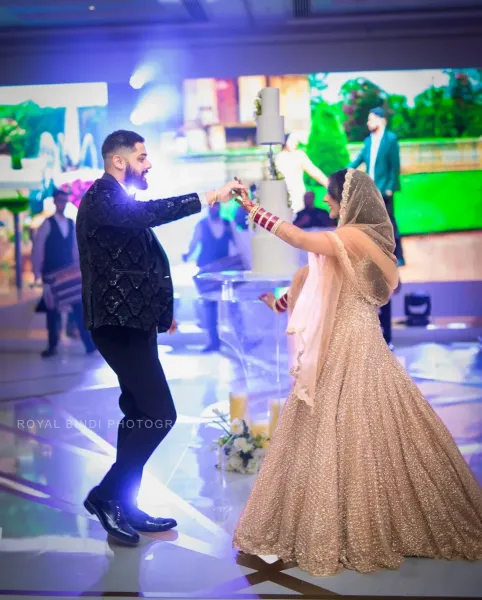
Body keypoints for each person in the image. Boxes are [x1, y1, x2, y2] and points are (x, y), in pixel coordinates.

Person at [232, 168, 482, 576]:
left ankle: (352, 528)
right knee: (372, 427)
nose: (327, 203)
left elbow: (299, 240)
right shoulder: (363, 244)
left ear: (347, 201)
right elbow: (312, 280)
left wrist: (252, 209)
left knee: (340, 428)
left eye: (331, 198)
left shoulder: (351, 237)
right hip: (362, 342)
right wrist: (278, 304)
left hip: (349, 345)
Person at [76, 129, 247, 545]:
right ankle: (105, 496)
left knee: (138, 414)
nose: (148, 163)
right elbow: (146, 216)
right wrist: (210, 196)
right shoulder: (102, 196)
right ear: (119, 160)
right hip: (117, 326)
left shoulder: (115, 200)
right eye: (142, 156)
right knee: (161, 414)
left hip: (132, 323)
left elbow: (139, 264)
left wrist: (160, 312)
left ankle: (125, 504)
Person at [349, 106, 405, 346]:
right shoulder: (368, 140)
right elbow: (359, 159)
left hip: (385, 189)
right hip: (371, 189)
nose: (368, 121)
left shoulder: (391, 139)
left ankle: (395, 254)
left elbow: (394, 165)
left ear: (381, 119)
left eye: (371, 118)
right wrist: (347, 171)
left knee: (390, 224)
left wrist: (391, 186)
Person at [32, 189, 95, 358]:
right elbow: (38, 248)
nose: (62, 203)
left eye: (65, 200)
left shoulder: (70, 222)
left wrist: (79, 266)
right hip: (51, 273)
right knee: (52, 312)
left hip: (69, 273)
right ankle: (52, 346)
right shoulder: (47, 223)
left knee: (78, 308)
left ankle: (89, 345)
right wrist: (36, 271)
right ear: (54, 202)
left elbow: (75, 247)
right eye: (60, 200)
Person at [183, 203, 243, 352]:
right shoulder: (202, 225)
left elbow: (238, 243)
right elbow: (194, 243)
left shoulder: (228, 224)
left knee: (233, 304)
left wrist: (245, 262)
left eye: (217, 206)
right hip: (207, 271)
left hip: (225, 271)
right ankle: (213, 341)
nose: (214, 209)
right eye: (212, 206)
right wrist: (187, 255)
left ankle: (241, 339)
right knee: (209, 306)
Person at [275, 133, 328, 214]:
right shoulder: (278, 157)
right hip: (281, 196)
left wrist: (330, 185)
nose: (295, 143)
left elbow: (315, 172)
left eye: (296, 141)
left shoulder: (298, 155)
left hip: (297, 196)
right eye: (292, 140)